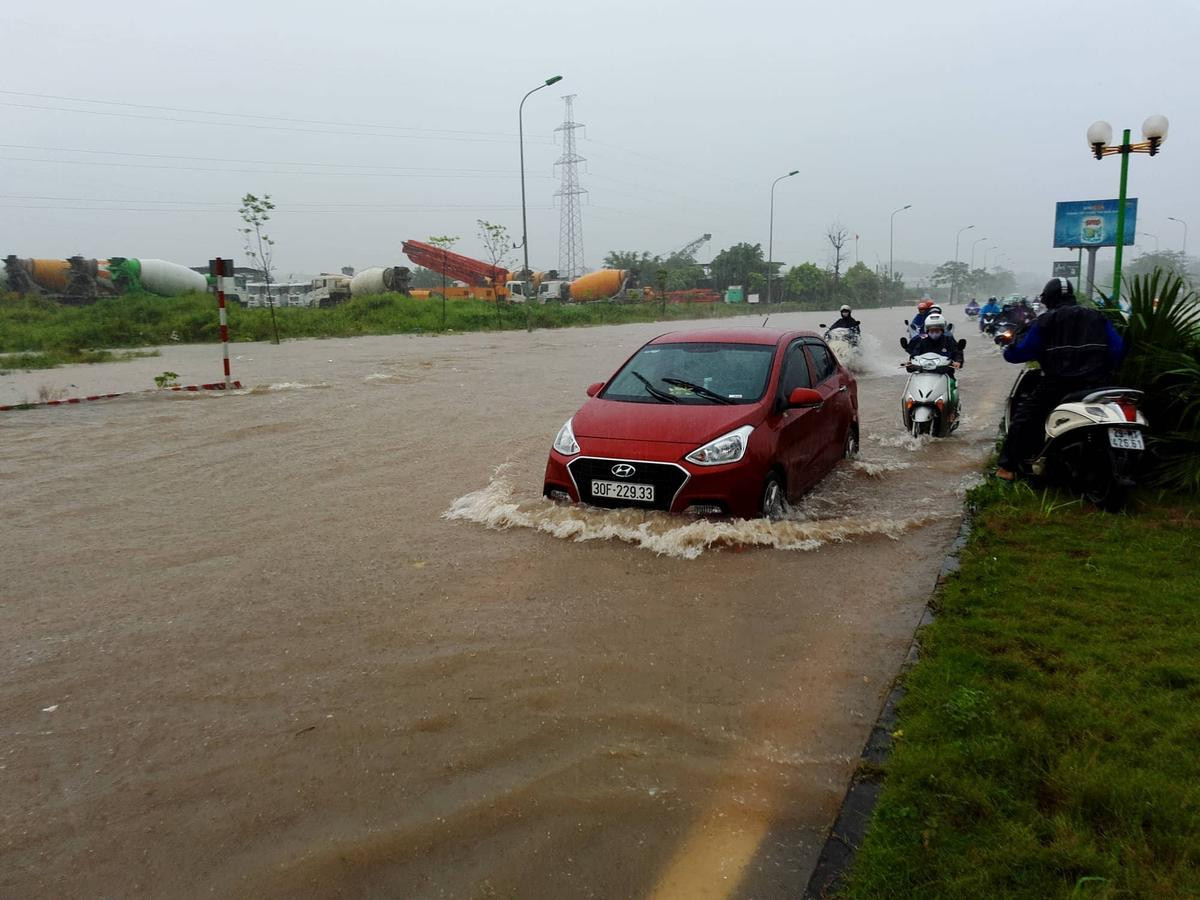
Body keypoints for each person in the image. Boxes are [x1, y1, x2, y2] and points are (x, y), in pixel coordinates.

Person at [994, 277, 1125, 482]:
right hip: (1098, 384)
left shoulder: (1046, 320)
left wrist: (1009, 350)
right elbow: (1118, 350)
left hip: (1058, 384)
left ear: (1049, 299)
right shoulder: (1097, 316)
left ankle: (1007, 468)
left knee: (1024, 419)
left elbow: (1021, 352)